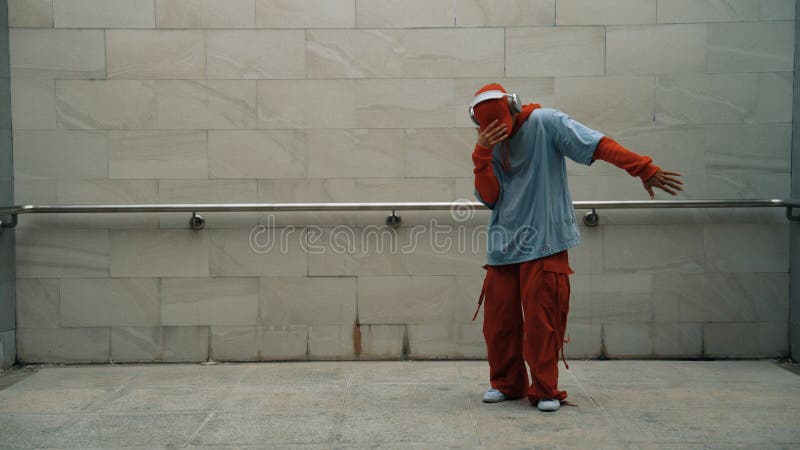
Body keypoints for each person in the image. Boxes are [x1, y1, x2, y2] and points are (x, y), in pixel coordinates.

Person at [468, 83, 683, 412]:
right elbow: (492, 197)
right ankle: (507, 383)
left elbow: (598, 145)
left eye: (499, 125)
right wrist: (481, 155)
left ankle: (544, 389)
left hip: (545, 240)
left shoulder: (547, 122)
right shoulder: (490, 142)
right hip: (504, 244)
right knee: (499, 322)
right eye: (487, 128)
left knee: (543, 320)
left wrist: (643, 167)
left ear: (514, 108)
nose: (497, 133)